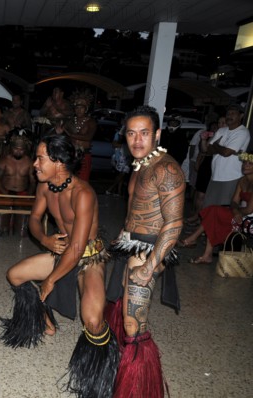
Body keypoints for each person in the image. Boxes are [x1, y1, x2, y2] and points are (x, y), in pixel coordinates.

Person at [0, 133, 118, 397]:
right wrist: (45, 239)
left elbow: (77, 249)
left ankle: (100, 379)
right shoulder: (45, 187)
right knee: (15, 275)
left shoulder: (83, 193)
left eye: (40, 158)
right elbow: (34, 219)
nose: (35, 164)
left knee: (92, 320)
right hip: (61, 252)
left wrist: (51, 279)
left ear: (59, 162)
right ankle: (45, 322)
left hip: (88, 259)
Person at [105, 105, 185, 397]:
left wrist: (150, 265)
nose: (137, 140)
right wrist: (120, 238)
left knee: (133, 324)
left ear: (157, 134)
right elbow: (134, 210)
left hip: (150, 249)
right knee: (119, 308)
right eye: (131, 133)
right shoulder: (141, 164)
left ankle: (139, 389)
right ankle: (121, 374)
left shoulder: (166, 169)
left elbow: (174, 223)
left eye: (144, 133)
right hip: (132, 244)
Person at [179, 153, 253, 264]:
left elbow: (249, 210)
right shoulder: (242, 180)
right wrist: (235, 210)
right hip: (239, 213)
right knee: (214, 211)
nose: (245, 165)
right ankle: (202, 250)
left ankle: (196, 244)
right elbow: (234, 201)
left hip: (249, 219)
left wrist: (236, 211)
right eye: (244, 162)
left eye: (250, 163)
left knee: (214, 212)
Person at [203, 105, 250, 208]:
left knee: (223, 209)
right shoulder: (221, 130)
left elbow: (226, 153)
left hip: (231, 177)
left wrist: (216, 145)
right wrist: (219, 148)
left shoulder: (242, 132)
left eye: (233, 113)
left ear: (241, 116)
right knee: (208, 207)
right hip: (215, 175)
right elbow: (208, 151)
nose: (229, 116)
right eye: (228, 114)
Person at [186, 119, 223, 225]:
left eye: (221, 123)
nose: (219, 126)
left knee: (205, 196)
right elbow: (203, 151)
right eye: (219, 123)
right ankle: (197, 215)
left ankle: (201, 218)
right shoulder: (212, 137)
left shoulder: (224, 137)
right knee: (199, 194)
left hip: (215, 167)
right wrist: (198, 162)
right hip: (205, 165)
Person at [66, 89, 97, 181]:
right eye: (77, 108)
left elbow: (88, 137)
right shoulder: (70, 121)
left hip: (84, 155)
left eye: (81, 107)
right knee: (69, 181)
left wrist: (70, 134)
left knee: (82, 181)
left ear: (86, 108)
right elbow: (61, 132)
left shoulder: (91, 122)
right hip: (71, 155)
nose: (79, 110)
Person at [105, 126, 131, 196]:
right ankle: (113, 190)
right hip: (121, 157)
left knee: (121, 175)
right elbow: (114, 145)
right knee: (121, 174)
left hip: (126, 157)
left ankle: (115, 190)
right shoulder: (119, 134)